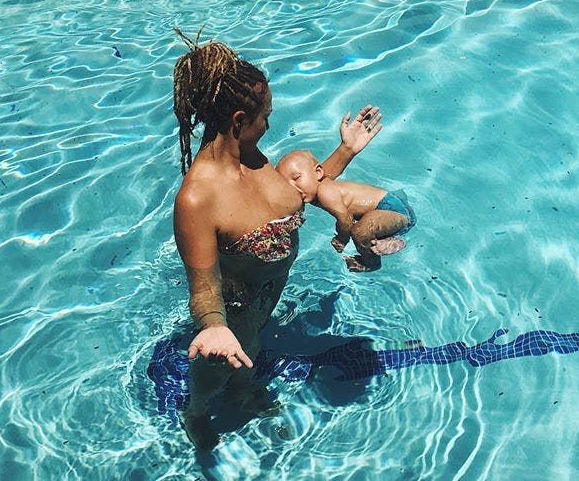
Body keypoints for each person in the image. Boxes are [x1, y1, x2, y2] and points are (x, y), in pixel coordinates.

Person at [171, 27, 381, 449]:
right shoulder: (199, 198)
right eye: (265, 115)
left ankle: (243, 390)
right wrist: (213, 326)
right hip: (235, 308)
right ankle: (194, 412)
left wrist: (345, 152)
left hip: (268, 296)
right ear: (238, 121)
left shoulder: (255, 160)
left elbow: (297, 196)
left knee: (254, 347)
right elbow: (204, 286)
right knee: (222, 363)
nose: (270, 123)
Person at [276, 149, 416, 273]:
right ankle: (386, 238)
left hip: (392, 209)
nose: (293, 187)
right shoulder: (316, 190)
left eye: (296, 178)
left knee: (360, 231)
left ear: (318, 172)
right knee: (365, 228)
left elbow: (346, 220)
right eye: (286, 184)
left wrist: (342, 238)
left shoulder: (325, 192)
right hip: (386, 209)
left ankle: (372, 263)